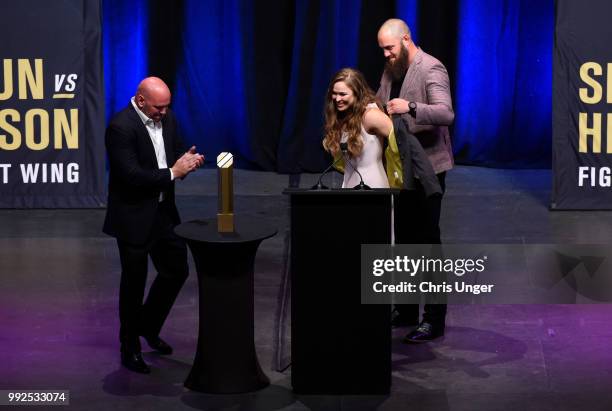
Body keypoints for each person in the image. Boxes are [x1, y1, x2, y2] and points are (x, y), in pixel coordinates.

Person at [103, 77, 205, 373]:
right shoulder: (120, 127)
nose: (164, 112)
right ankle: (129, 347)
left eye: (166, 107)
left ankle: (147, 325)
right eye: (158, 108)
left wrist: (188, 159)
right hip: (133, 217)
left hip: (163, 212)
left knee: (176, 270)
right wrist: (173, 172)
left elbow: (173, 150)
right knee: (133, 284)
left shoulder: (166, 116)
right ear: (141, 100)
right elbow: (131, 176)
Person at [376, 18, 455, 343]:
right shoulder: (392, 69)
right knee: (406, 242)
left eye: (390, 48)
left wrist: (410, 107)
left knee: (427, 244)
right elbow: (382, 102)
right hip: (401, 168)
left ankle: (433, 319)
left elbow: (445, 113)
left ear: (406, 40)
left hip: (428, 170)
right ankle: (406, 310)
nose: (386, 55)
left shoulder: (431, 68)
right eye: (382, 50)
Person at [322, 68, 392, 188]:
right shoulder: (344, 115)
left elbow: (401, 142)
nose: (337, 99)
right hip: (349, 185)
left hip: (372, 187)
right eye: (334, 93)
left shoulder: (371, 115)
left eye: (343, 94)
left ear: (357, 93)